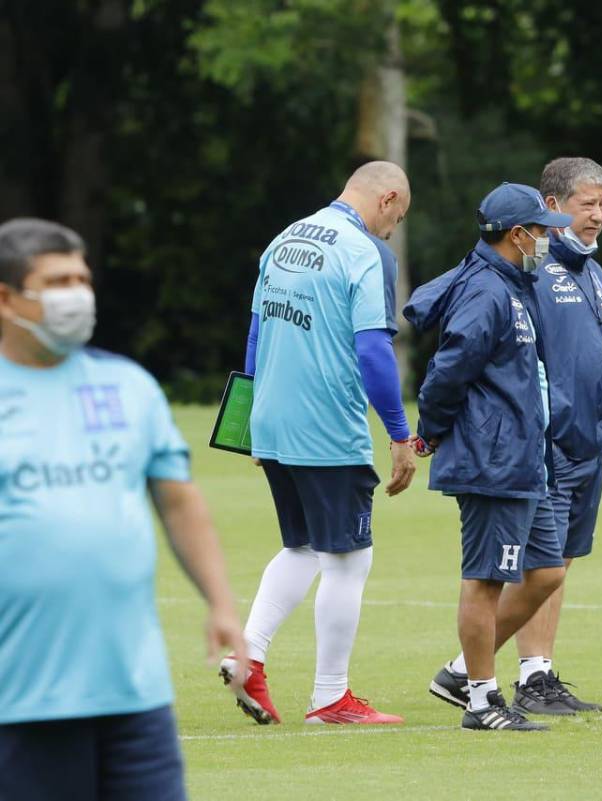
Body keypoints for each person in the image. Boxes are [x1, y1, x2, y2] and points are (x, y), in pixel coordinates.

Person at [0, 218, 246, 799]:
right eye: (57, 281)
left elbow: (179, 501)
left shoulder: (129, 387)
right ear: (6, 298)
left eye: (82, 279)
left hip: (135, 697)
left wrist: (221, 602)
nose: (76, 295)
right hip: (20, 699)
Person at [223, 161, 417, 726]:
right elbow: (374, 352)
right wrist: (400, 434)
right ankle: (330, 696)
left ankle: (249, 655)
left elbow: (258, 332)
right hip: (327, 426)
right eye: (396, 218)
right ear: (387, 198)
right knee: (350, 559)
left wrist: (251, 419)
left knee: (303, 546)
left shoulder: (286, 238)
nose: (391, 231)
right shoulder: (365, 251)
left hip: (273, 420)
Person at [408, 183, 573, 731]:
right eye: (541, 229)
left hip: (526, 455)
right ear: (515, 234)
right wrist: (428, 433)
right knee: (485, 580)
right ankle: (481, 701)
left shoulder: (515, 282)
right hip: (492, 457)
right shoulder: (486, 290)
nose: (548, 238)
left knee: (546, 570)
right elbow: (448, 370)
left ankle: (461, 672)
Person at [475, 157, 602, 716]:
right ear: (554, 207)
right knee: (544, 563)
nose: (598, 216)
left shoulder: (593, 268)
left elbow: (596, 351)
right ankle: (517, 674)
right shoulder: (532, 268)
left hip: (591, 440)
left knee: (562, 559)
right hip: (549, 441)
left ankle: (536, 672)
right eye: (587, 204)